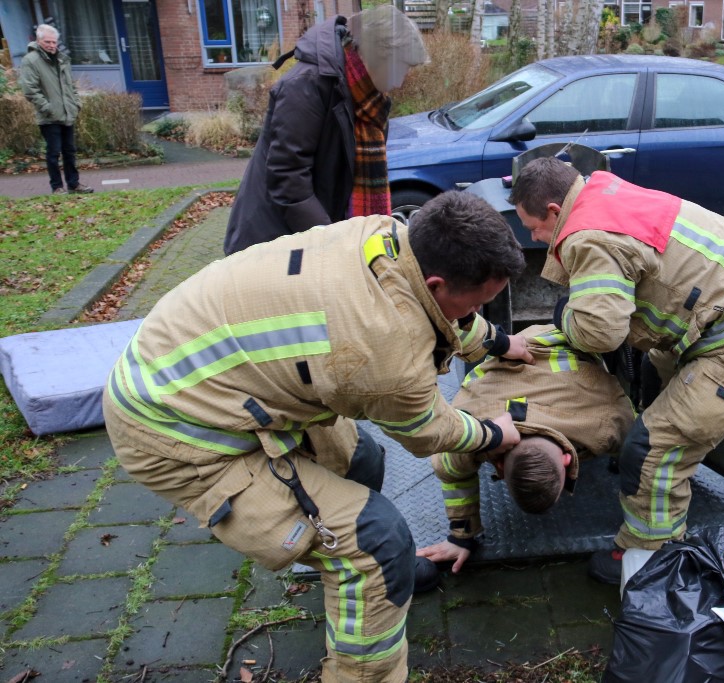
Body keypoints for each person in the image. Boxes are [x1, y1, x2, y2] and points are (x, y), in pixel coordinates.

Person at [103, 191, 534, 683]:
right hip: (176, 431)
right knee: (378, 539)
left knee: (362, 458)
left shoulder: (389, 238)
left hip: (202, 372)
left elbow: (445, 315)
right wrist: (491, 433)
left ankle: (359, 582)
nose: (481, 309)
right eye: (479, 302)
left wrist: (501, 342)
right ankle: (364, 639)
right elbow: (426, 430)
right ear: (437, 282)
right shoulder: (384, 347)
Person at [508, 158, 724, 585]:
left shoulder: (588, 236)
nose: (535, 238)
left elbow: (600, 333)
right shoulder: (602, 191)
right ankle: (666, 474)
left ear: (555, 210)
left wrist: (564, 317)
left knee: (652, 449)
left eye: (534, 228)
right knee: (655, 380)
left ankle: (649, 557)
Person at [417, 324, 636, 573]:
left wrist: (461, 537)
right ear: (566, 458)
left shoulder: (605, 425)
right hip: (516, 347)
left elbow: (451, 471)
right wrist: (460, 537)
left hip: (559, 340)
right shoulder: (607, 425)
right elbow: (638, 445)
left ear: (499, 465)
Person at [223, 5, 427, 255]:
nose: (399, 81)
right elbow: (288, 176)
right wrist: (334, 243)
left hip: (313, 236)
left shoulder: (367, 98)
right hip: (273, 241)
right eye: (400, 68)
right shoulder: (306, 85)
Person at [17, 24, 94, 196]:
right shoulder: (31, 60)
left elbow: (70, 86)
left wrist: (76, 103)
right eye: (47, 42)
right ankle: (57, 187)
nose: (52, 45)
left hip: (67, 113)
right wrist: (47, 108)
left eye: (54, 42)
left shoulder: (62, 59)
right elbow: (30, 90)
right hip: (49, 117)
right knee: (53, 153)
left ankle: (74, 185)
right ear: (38, 41)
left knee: (70, 151)